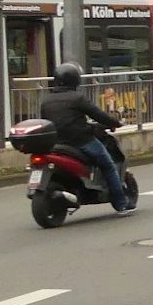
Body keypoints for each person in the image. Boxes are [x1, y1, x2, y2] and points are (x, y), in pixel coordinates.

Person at [39, 63, 133, 213]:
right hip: (80, 141)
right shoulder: (78, 98)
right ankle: (121, 203)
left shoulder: (46, 100)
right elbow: (98, 115)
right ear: (75, 80)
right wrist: (115, 122)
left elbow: (47, 121)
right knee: (108, 165)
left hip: (56, 143)